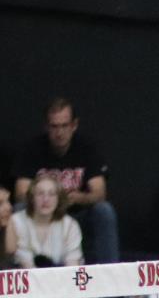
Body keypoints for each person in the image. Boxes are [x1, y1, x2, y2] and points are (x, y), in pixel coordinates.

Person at [15, 98, 117, 263]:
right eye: (54, 126)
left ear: (74, 125)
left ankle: (111, 276)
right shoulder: (32, 149)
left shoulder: (86, 148)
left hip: (76, 215)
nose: (59, 132)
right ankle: (17, 277)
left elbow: (100, 192)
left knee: (103, 210)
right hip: (42, 218)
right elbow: (20, 192)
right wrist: (45, 198)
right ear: (46, 127)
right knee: (19, 208)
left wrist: (79, 197)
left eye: (64, 126)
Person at [16, 176, 82, 268]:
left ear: (59, 199)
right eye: (40, 194)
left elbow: (73, 265)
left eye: (51, 194)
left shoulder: (70, 225)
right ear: (32, 198)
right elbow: (25, 264)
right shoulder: (17, 221)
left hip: (61, 278)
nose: (46, 199)